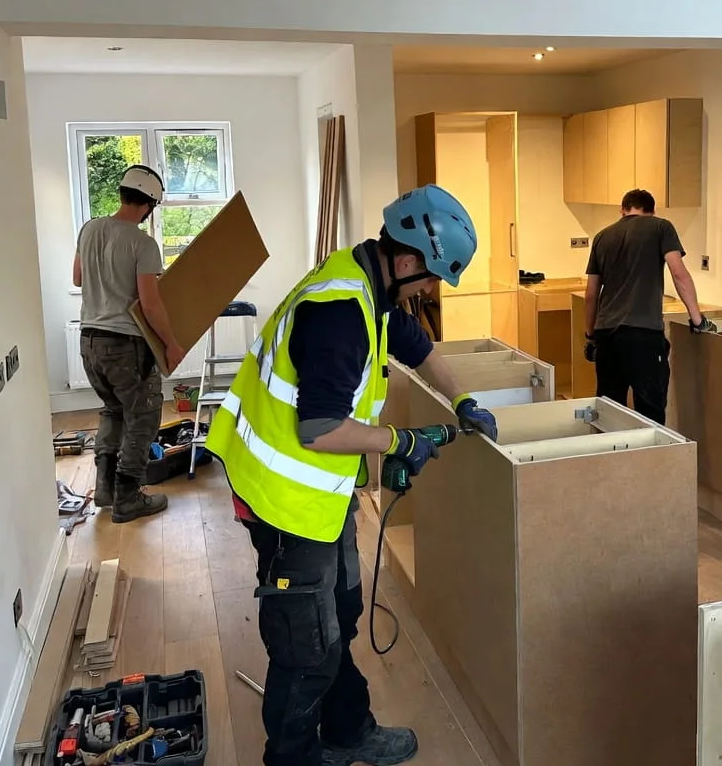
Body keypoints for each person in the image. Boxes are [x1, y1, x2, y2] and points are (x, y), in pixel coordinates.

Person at [205, 184, 499, 766]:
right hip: (285, 497)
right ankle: (292, 757)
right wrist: (400, 440)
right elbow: (319, 428)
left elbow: (421, 349)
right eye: (431, 279)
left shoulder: (374, 289)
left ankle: (347, 730)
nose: (430, 291)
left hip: (322, 492)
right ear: (409, 260)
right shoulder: (341, 311)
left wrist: (464, 401)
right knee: (305, 645)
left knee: (338, 612)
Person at [73, 165, 185, 523]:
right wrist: (171, 343)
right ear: (149, 204)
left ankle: (105, 490)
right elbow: (150, 304)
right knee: (142, 418)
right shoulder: (142, 244)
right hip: (125, 345)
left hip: (89, 341)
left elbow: (77, 278)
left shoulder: (90, 229)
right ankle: (128, 498)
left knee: (113, 410)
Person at [583, 188, 716, 425]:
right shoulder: (661, 227)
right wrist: (698, 320)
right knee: (650, 413)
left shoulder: (602, 236)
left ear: (622, 210)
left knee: (609, 411)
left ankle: (612, 461)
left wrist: (591, 335)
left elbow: (592, 293)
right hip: (643, 336)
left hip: (607, 337)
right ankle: (650, 462)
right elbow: (679, 274)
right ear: (652, 211)